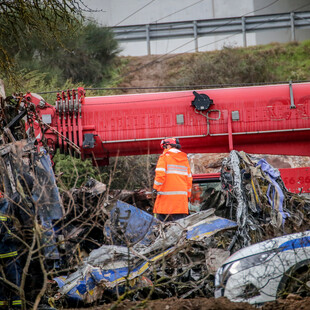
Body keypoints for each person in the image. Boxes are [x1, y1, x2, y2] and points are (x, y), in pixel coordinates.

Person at [153, 138, 192, 221]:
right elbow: (189, 180)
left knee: (162, 227)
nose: (164, 149)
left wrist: (155, 189)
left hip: (165, 202)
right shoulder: (184, 160)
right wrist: (187, 196)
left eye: (164, 147)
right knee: (180, 228)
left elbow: (160, 176)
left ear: (168, 145)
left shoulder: (164, 157)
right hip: (181, 203)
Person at [0, 189, 22, 309]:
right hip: (4, 252)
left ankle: (16, 307)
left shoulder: (8, 206)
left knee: (14, 284)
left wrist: (12, 234)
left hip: (10, 253)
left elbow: (18, 225)